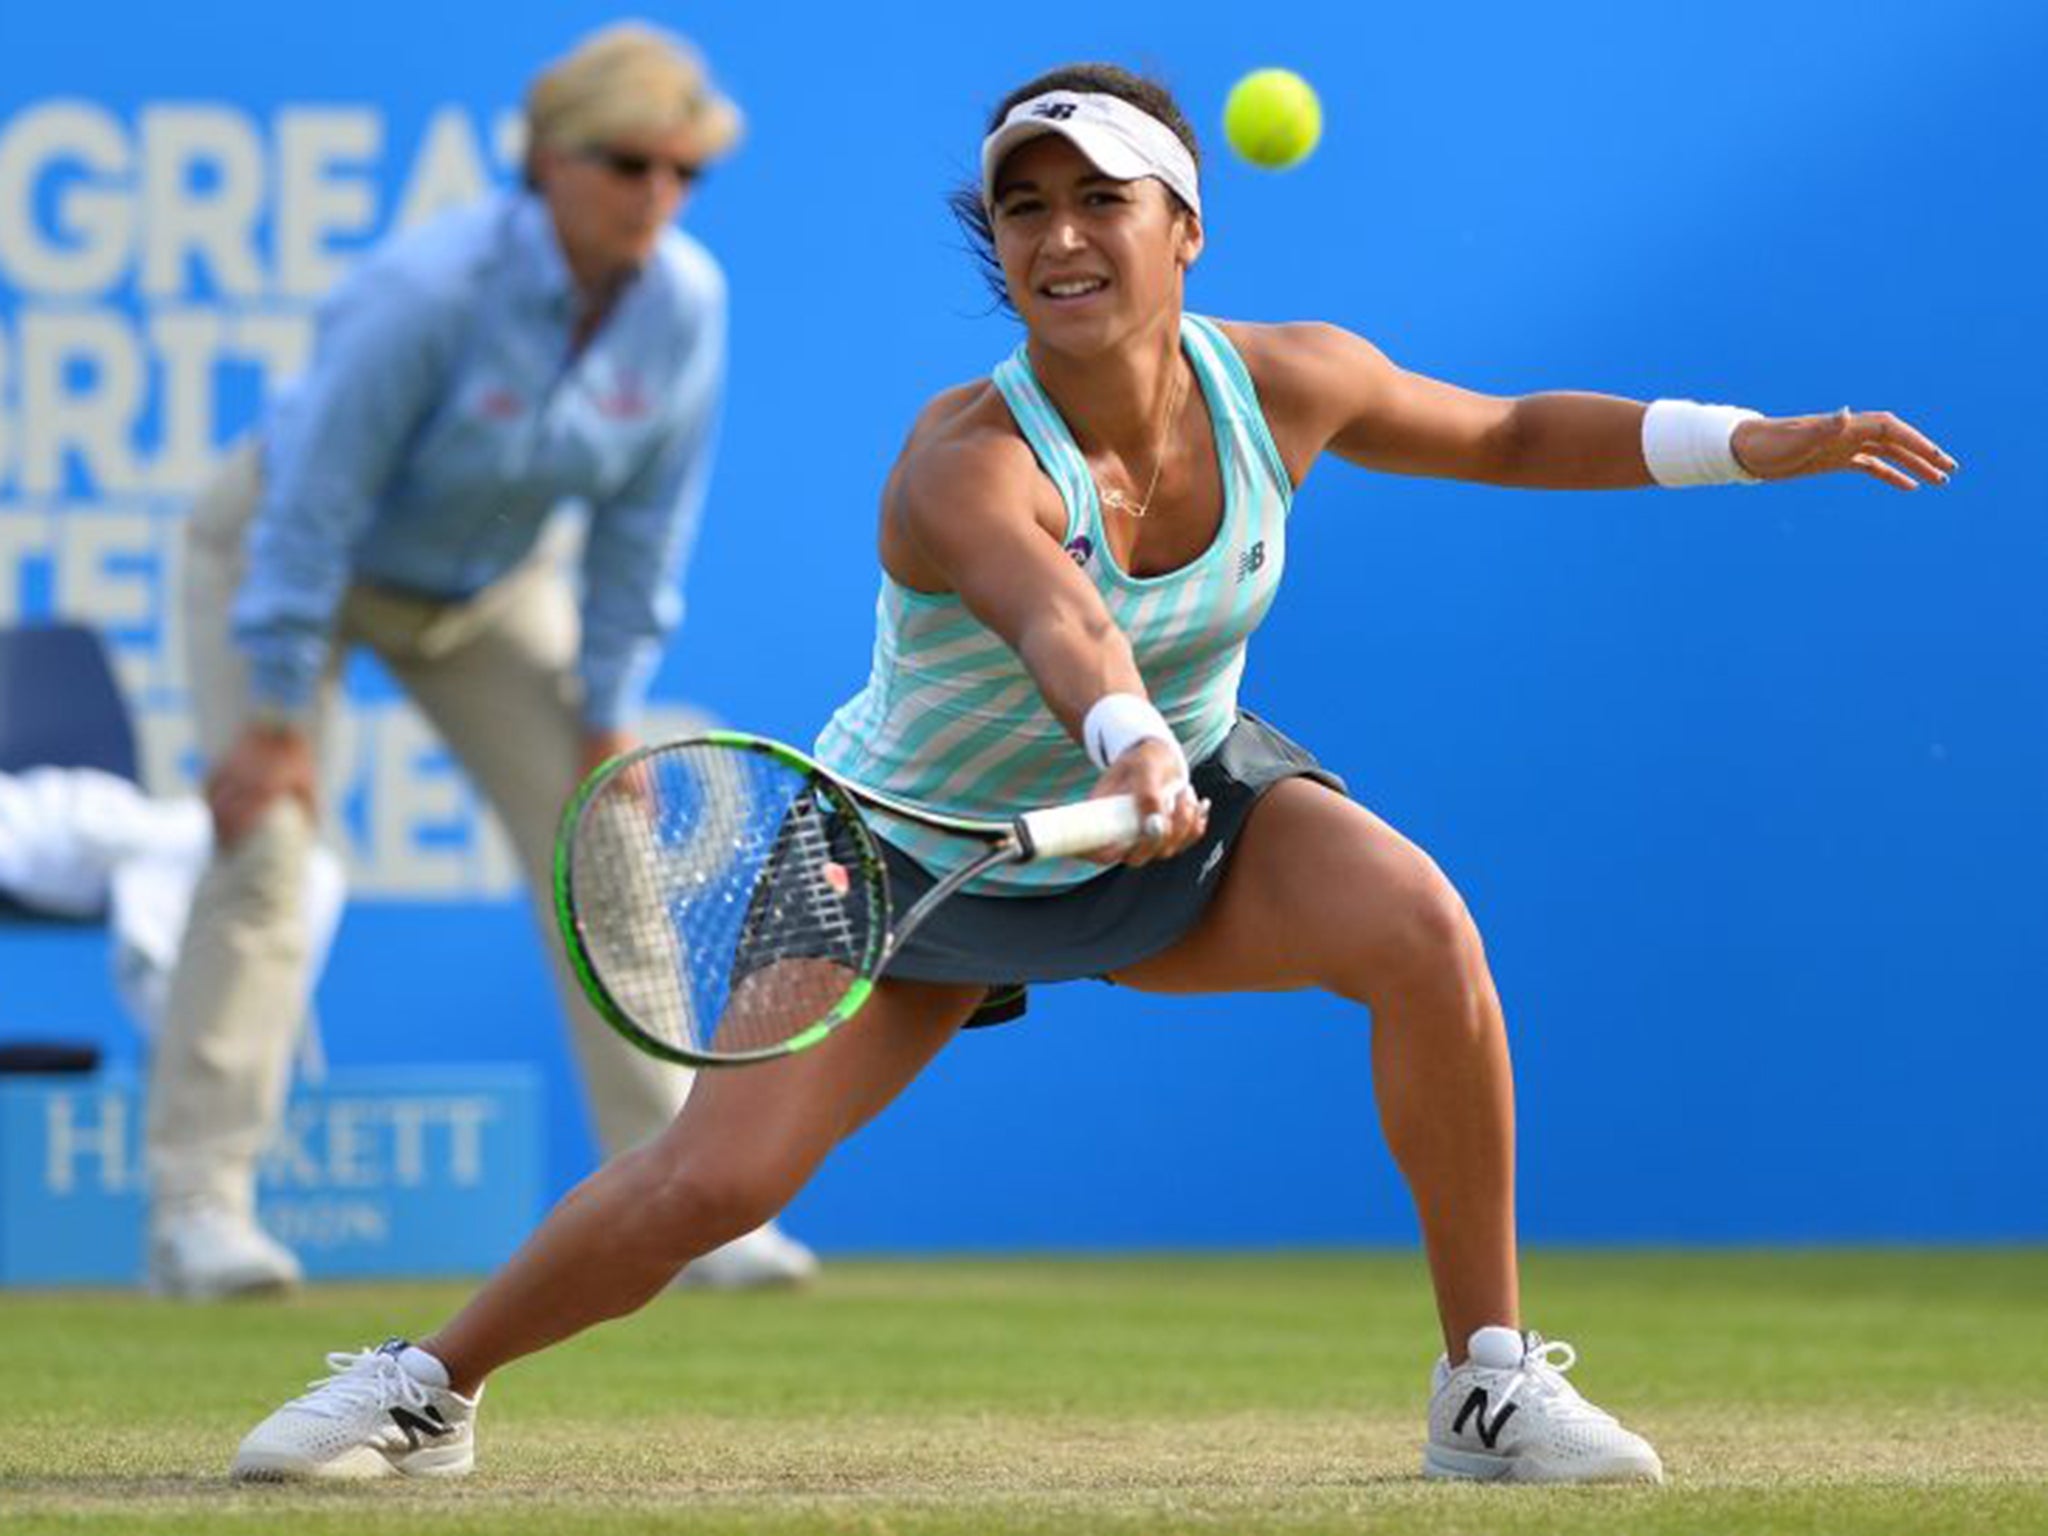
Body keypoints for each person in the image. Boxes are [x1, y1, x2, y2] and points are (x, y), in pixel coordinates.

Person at [225, 64, 1953, 1483]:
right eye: (1023, 208)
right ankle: (424, 1385)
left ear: (1180, 229)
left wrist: (1750, 446)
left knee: (1420, 929)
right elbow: (1058, 619)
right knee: (715, 1186)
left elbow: (1503, 430)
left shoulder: (1289, 382)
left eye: (1096, 200)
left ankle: (1484, 1387)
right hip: (906, 851)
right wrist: (1124, 737)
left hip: (1180, 819)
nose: (1055, 236)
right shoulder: (960, 459)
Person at [145, 21, 816, 1300]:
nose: (658, 198)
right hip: (293, 565)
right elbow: (311, 507)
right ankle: (197, 1212)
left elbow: (641, 527)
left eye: (685, 175)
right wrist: (272, 719)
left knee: (605, 850)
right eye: (629, 165)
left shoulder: (686, 301)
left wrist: (607, 711)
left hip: (489, 589)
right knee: (269, 850)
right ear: (549, 160)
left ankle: (689, 1202)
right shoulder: (428, 289)